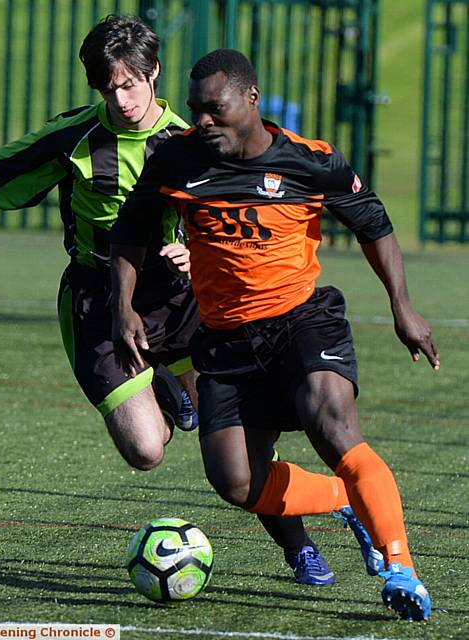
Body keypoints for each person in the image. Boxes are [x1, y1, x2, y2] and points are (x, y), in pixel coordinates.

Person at [0, 18, 335, 587]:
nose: (122, 99)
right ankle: (158, 383)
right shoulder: (74, 138)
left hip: (183, 304)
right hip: (100, 300)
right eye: (109, 89)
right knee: (145, 449)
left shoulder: (192, 141)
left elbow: (237, 214)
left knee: (233, 441)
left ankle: (299, 546)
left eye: (131, 84)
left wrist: (192, 252)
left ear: (153, 73)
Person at [110, 48, 438, 621]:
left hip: (301, 321)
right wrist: (123, 308)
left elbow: (374, 223)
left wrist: (402, 307)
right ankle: (346, 500)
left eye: (214, 108)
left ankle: (400, 568)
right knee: (236, 482)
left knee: (330, 424)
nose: (202, 121)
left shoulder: (310, 161)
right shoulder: (175, 161)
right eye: (195, 110)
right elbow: (131, 233)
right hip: (226, 341)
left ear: (251, 99)